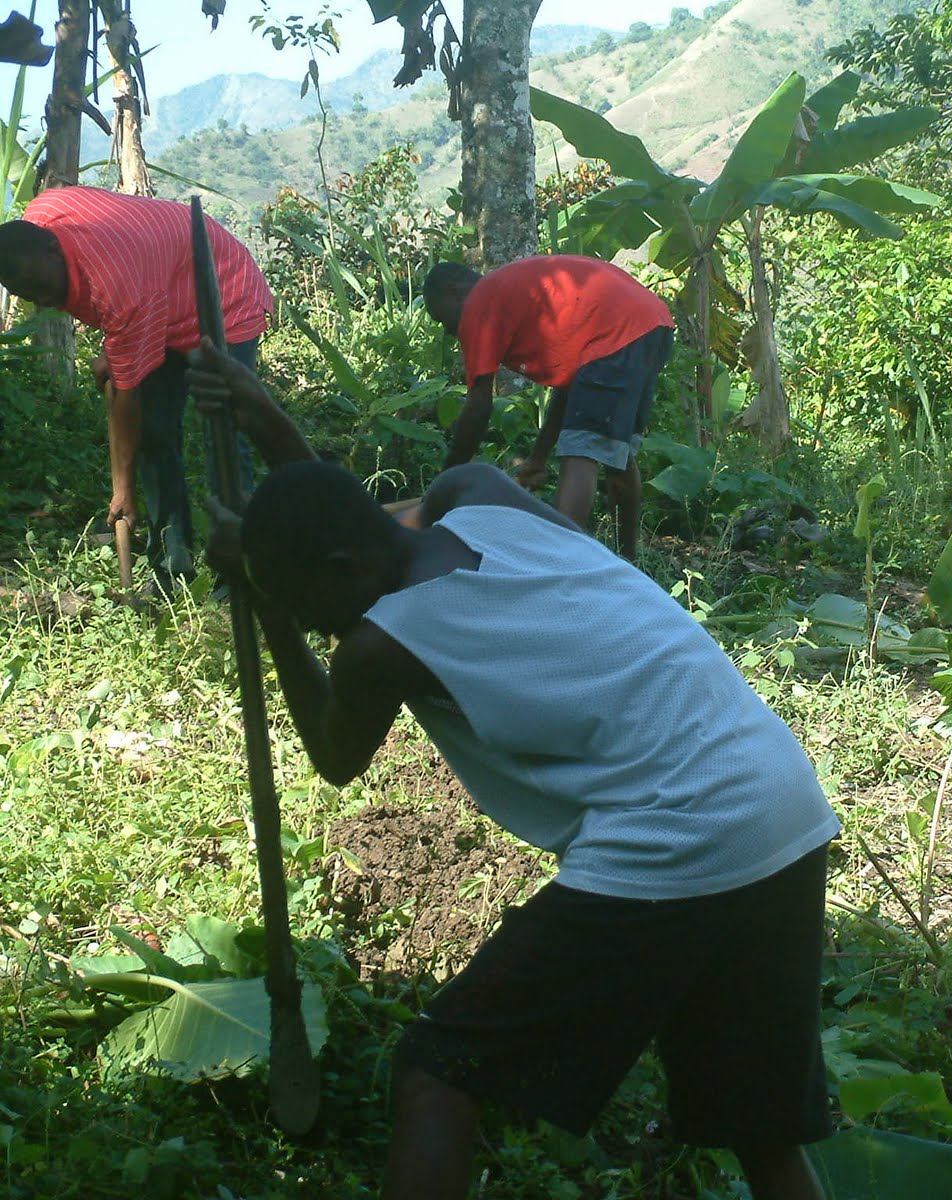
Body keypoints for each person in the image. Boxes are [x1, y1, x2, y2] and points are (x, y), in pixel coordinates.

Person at [188, 343, 837, 1200]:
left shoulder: (382, 648)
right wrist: (269, 424)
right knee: (759, 1128)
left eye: (314, 612)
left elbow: (335, 757)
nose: (320, 632)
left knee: (436, 1074)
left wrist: (266, 601)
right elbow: (352, 527)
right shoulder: (481, 495)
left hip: (675, 837)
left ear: (336, 581)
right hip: (781, 803)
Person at [0, 186, 272, 595]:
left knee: (223, 435)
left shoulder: (117, 288)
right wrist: (122, 346)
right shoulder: (43, 214)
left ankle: (238, 575)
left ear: (55, 251)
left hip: (223, 292)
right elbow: (131, 321)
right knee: (155, 435)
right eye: (26, 294)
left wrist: (122, 489)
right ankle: (171, 569)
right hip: (157, 303)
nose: (41, 300)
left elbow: (124, 402)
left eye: (41, 285)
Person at [424, 256, 674, 561]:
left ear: (454, 292)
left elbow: (478, 408)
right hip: (651, 323)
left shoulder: (479, 302)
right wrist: (538, 458)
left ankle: (558, 564)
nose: (449, 331)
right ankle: (630, 561)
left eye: (442, 319)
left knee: (582, 452)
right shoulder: (507, 292)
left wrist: (444, 487)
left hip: (616, 328)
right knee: (617, 454)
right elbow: (571, 391)